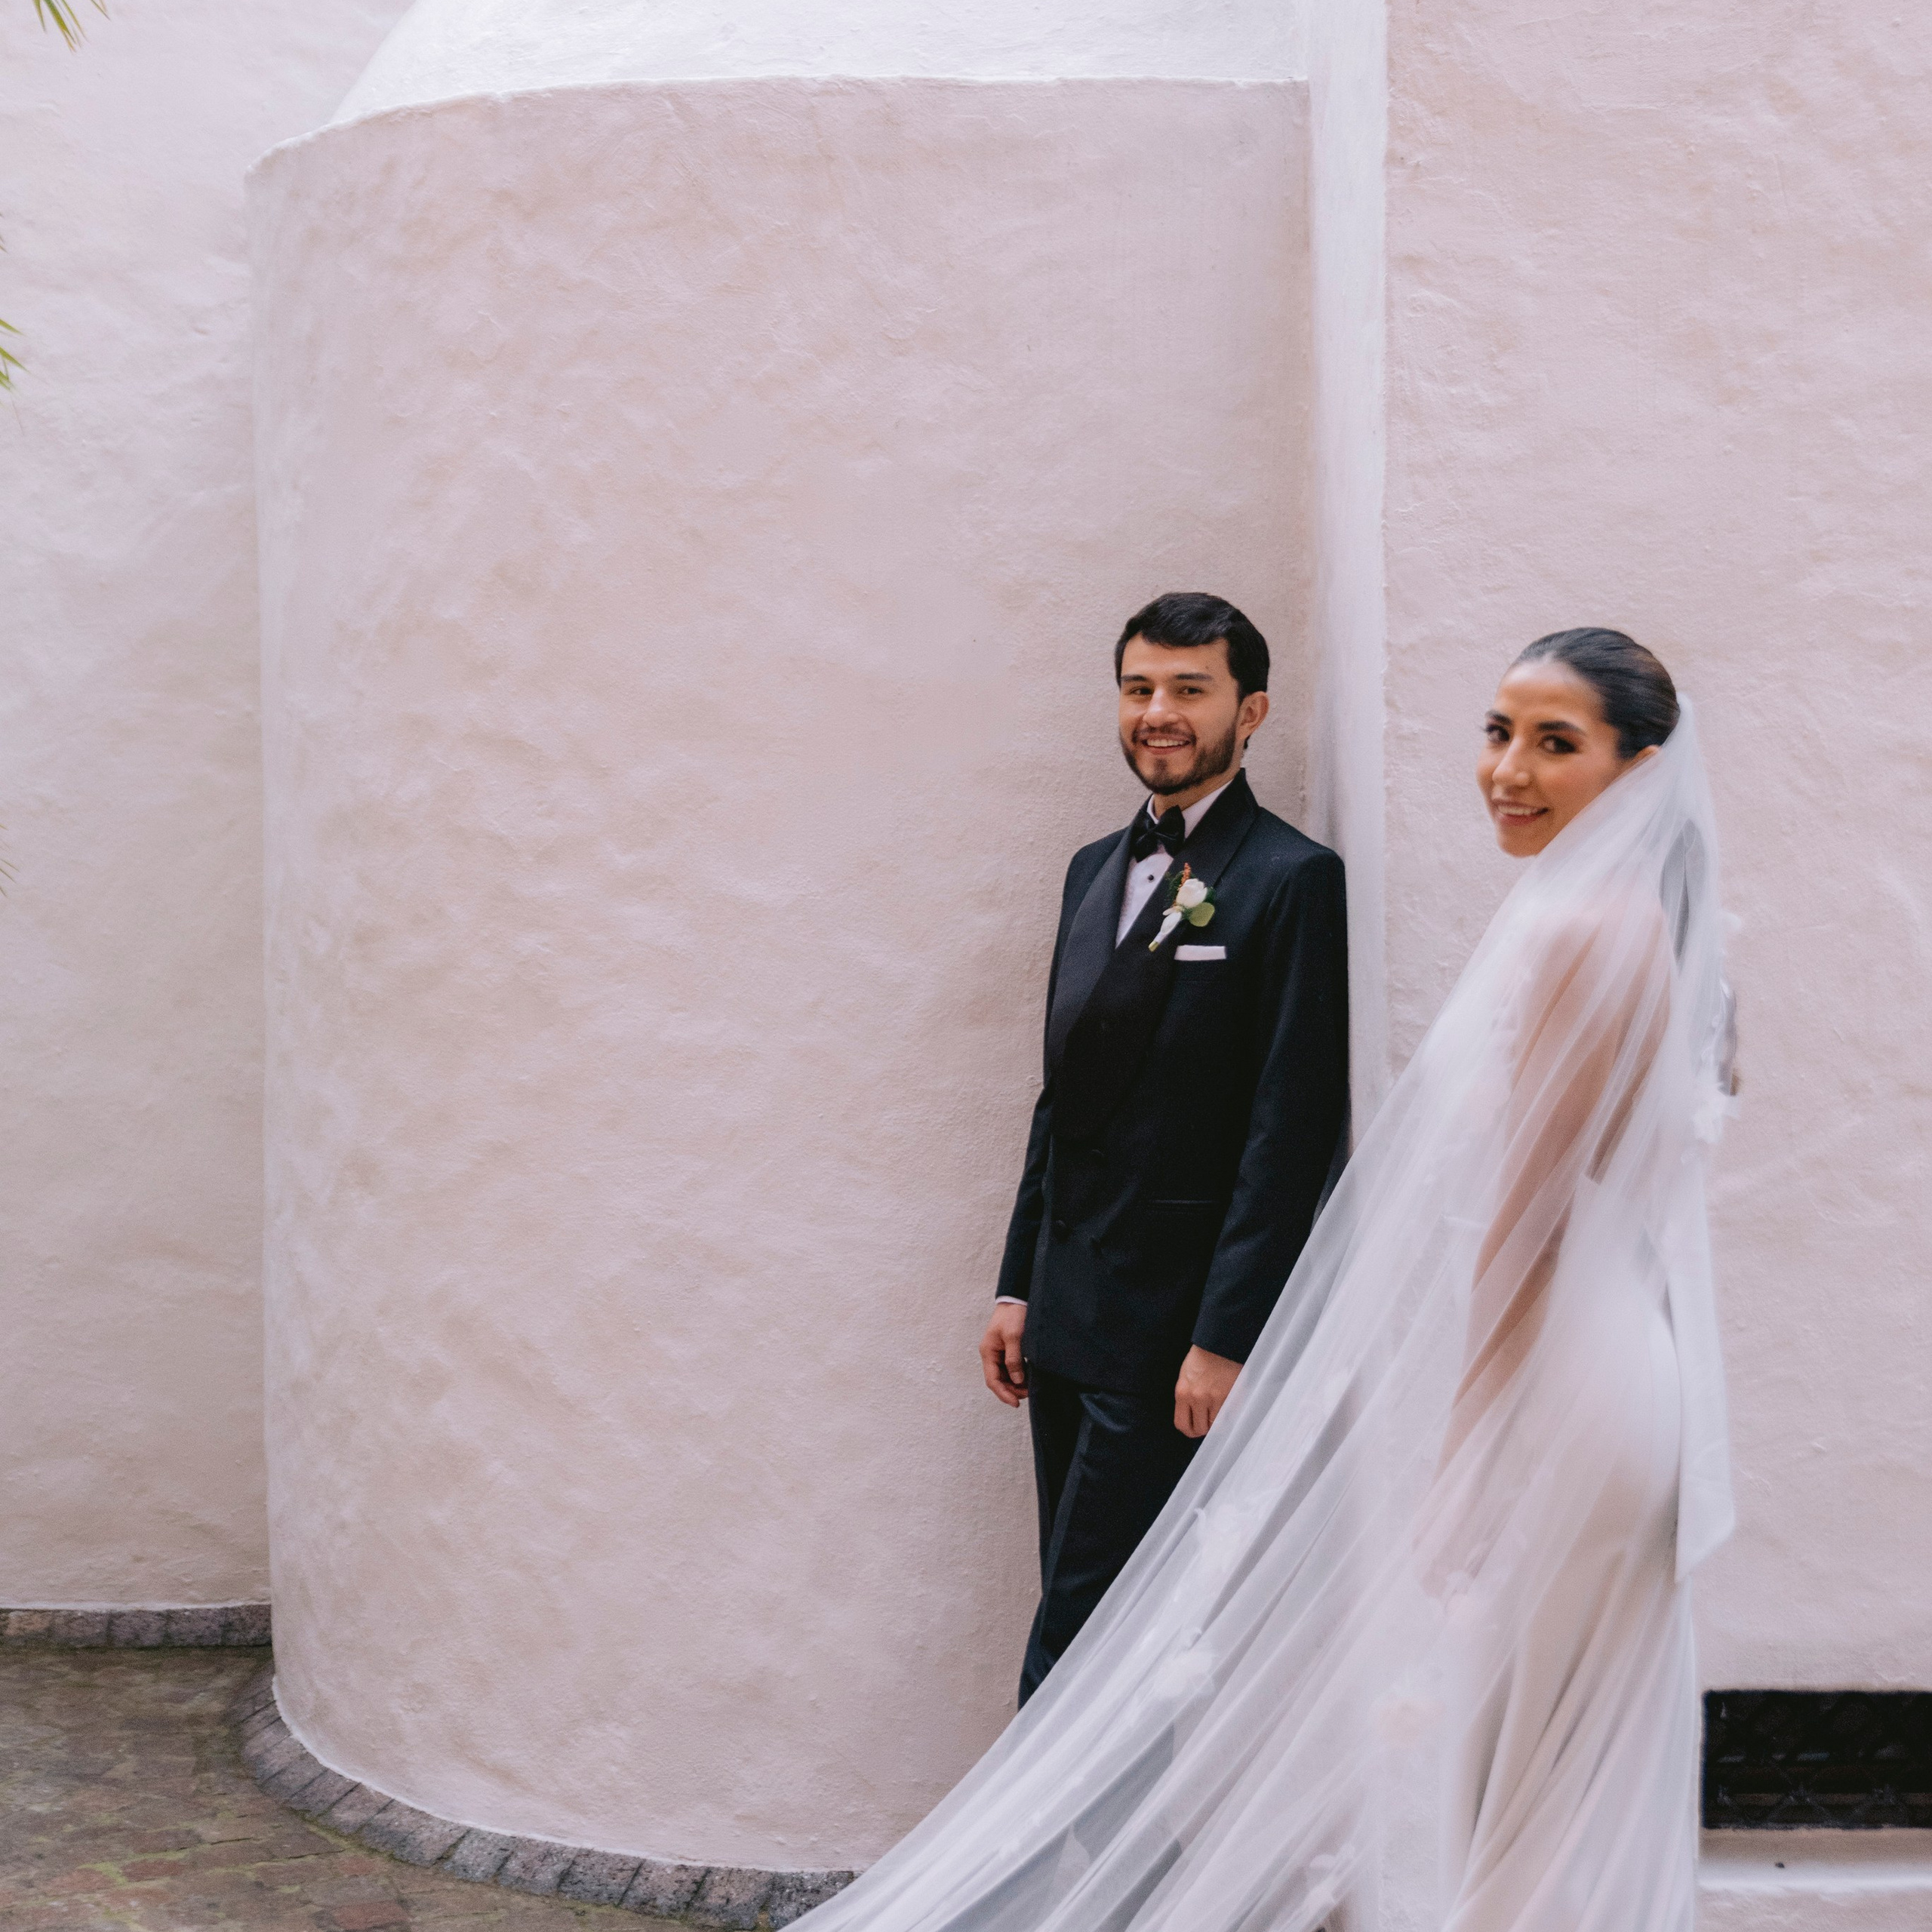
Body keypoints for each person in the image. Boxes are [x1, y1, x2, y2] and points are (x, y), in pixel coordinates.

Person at [804, 629, 1733, 1932]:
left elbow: (1500, 1210)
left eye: (1556, 742)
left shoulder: (1544, 925)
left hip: (1554, 1380)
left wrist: (1464, 1435)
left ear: (1641, 767)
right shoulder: (1567, 913)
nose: (1509, 769)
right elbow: (1063, 1102)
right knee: (1520, 1748)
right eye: (1498, 730)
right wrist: (1021, 1279)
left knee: (1530, 1744)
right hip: (1188, 1321)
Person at [980, 592, 1349, 1705]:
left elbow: (1291, 1127)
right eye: (1140, 688)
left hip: (1171, 1341)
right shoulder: (1092, 867)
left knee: (1083, 1633)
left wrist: (1228, 1337)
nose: (1159, 712)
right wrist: (1014, 1286)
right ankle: (1144, 1871)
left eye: (1190, 689)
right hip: (1063, 1316)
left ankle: (1017, 1875)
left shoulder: (1290, 880)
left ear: (1253, 712)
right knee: (1086, 1610)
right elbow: (1063, 1098)